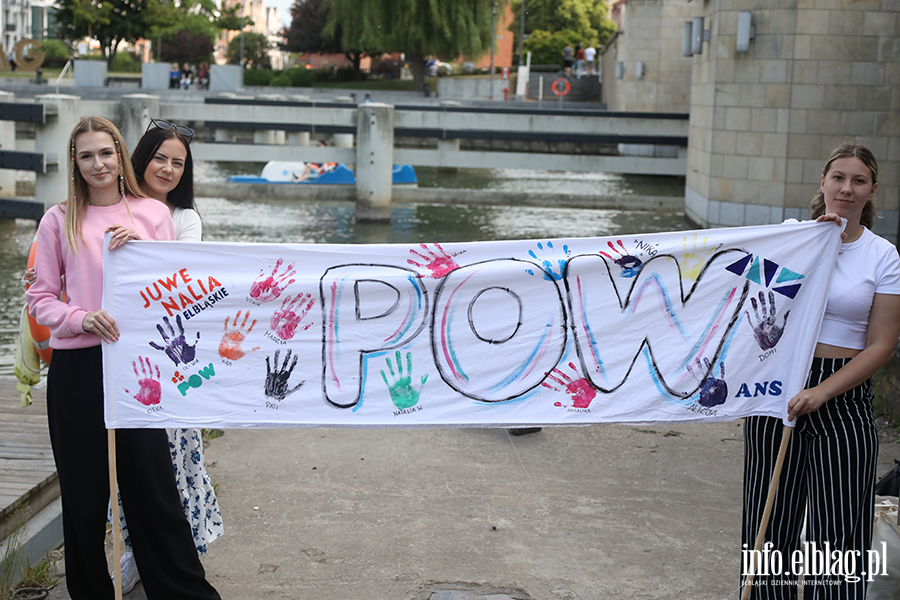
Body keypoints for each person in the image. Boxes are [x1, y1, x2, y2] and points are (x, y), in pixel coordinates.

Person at [25, 116, 220, 600]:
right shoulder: (58, 219)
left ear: (119, 155)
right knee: (85, 496)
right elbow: (41, 298)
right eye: (86, 155)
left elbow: (177, 291)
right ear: (75, 161)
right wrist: (79, 318)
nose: (98, 164)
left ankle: (182, 592)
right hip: (78, 371)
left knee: (152, 489)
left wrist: (143, 253)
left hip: (139, 368)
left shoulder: (152, 216)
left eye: (106, 153)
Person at [741, 143, 900, 599]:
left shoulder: (882, 255)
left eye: (858, 181)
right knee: (770, 523)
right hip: (781, 389)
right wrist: (814, 246)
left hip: (844, 396)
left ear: (872, 191)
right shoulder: (790, 237)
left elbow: (881, 345)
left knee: (840, 536)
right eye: (838, 178)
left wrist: (823, 392)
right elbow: (752, 303)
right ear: (823, 182)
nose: (846, 189)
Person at [99, 117, 222, 591]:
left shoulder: (184, 218)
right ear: (141, 157)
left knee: (174, 459)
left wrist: (140, 247)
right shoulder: (110, 205)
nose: (167, 169)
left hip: (170, 354)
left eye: (178, 163)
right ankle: (129, 549)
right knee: (121, 460)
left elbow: (180, 278)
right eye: (160, 158)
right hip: (116, 350)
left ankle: (180, 553)